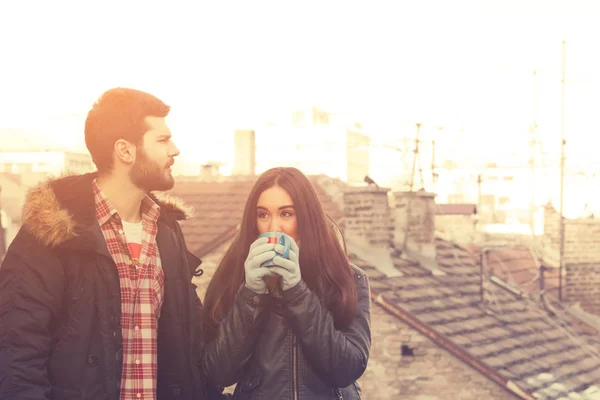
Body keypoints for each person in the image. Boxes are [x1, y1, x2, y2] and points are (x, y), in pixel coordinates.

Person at [0, 88, 222, 400]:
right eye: (162, 140)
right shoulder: (53, 232)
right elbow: (17, 354)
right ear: (125, 151)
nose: (175, 150)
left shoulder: (167, 232)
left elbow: (189, 355)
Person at [203, 167, 371, 399]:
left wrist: (297, 292)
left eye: (286, 214)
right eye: (263, 215)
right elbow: (218, 372)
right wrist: (251, 293)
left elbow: (349, 369)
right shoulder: (235, 274)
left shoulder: (347, 278)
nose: (274, 227)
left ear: (306, 218)